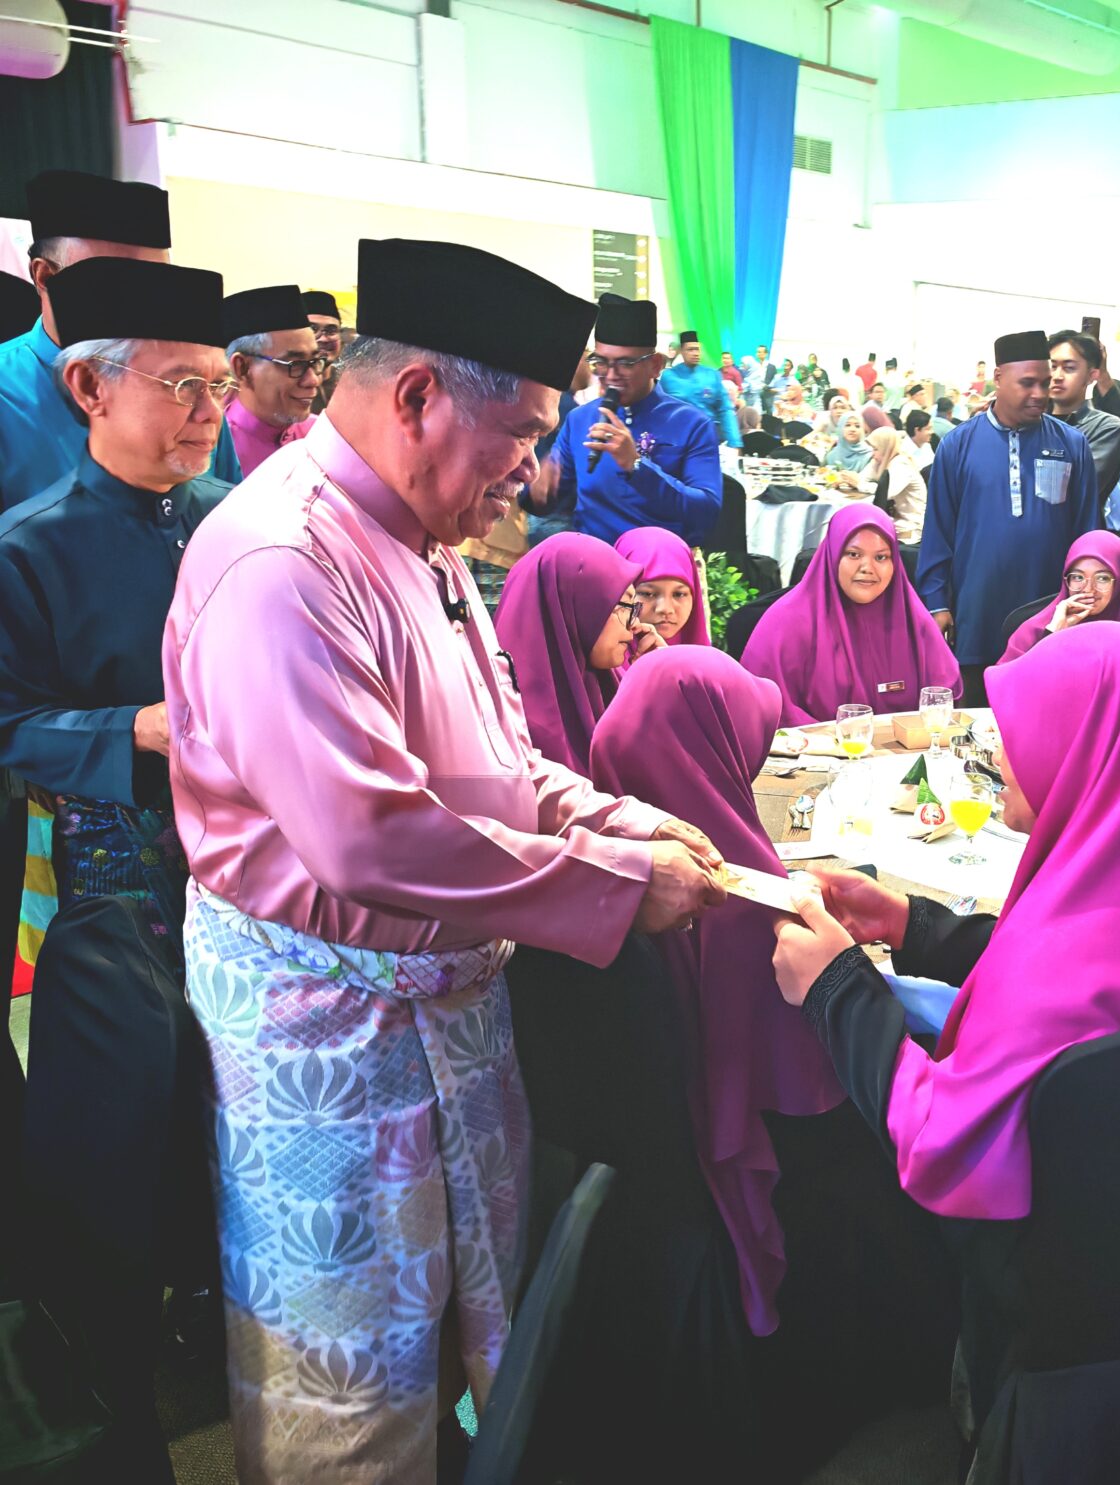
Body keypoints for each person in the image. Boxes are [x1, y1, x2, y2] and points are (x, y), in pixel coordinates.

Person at [164, 237, 726, 1483]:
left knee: (468, 1349)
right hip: (327, 1033)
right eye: (520, 437)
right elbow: (371, 834)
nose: (533, 473)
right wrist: (614, 888)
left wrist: (613, 820)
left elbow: (499, 762)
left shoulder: (423, 538)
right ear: (417, 395)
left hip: (441, 1011)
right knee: (350, 1386)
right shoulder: (285, 562)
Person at [768, 623, 1120, 1423]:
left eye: (1024, 732)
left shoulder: (1071, 957)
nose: (1001, 753)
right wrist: (913, 924)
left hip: (1057, 1314)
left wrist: (835, 988)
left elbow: (941, 1135)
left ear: (1086, 751)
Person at [0, 256, 235, 1481]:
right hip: (112, 899)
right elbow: (7, 726)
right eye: (179, 385)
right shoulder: (27, 549)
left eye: (217, 386)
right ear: (89, 388)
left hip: (255, 879)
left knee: (242, 1128)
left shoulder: (237, 526)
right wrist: (128, 731)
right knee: (124, 1146)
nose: (207, 412)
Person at [591, 646, 847, 1334]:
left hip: (652, 1217)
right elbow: (815, 1083)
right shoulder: (745, 903)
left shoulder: (609, 886)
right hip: (804, 1204)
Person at [0, 169, 243, 507]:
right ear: (45, 276)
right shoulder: (7, 395)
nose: (142, 301)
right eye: (111, 282)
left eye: (159, 283)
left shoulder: (192, 389)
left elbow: (226, 510)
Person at [917, 329, 1102, 697]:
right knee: (976, 712)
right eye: (1027, 383)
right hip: (976, 611)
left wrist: (1085, 599)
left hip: (1049, 615)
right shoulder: (958, 445)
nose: (1040, 394)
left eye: (1045, 383)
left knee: (1045, 709)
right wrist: (936, 603)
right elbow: (938, 530)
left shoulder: (1071, 444)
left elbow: (1088, 531)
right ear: (999, 378)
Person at [532, 293, 721, 547]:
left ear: (655, 365)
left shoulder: (692, 424)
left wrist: (636, 465)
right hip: (592, 563)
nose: (611, 375)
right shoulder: (580, 420)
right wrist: (538, 490)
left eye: (625, 363)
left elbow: (706, 512)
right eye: (601, 362)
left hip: (659, 567)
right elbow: (549, 501)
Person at [743, 504, 960, 725]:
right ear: (833, 555)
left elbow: (944, 693)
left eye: (881, 557)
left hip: (905, 745)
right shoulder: (787, 622)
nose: (867, 568)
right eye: (853, 554)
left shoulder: (913, 619)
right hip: (811, 746)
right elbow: (764, 705)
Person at [494, 531, 656, 772]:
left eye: (634, 608)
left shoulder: (610, 683)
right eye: (622, 606)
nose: (635, 624)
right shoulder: (508, 722)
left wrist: (657, 679)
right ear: (574, 608)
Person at [997, 530, 1120, 663]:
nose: (1089, 589)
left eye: (1102, 578)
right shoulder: (1033, 631)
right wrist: (1052, 634)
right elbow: (1008, 684)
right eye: (1078, 577)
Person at [221, 284, 322, 475]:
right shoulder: (215, 452)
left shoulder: (321, 436)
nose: (312, 381)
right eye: (295, 364)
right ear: (242, 368)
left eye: (315, 362)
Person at [1046, 329, 1120, 494]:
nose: (1057, 376)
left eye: (1069, 368)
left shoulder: (1105, 427)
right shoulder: (1030, 420)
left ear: (1092, 375)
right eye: (1053, 367)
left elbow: (1073, 489)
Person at [615, 525, 711, 646]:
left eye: (679, 594)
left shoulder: (703, 657)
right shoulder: (598, 656)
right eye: (647, 594)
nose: (665, 609)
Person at [658, 329, 742, 449]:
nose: (695, 353)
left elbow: (725, 409)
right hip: (677, 439)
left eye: (697, 349)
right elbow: (659, 409)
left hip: (707, 438)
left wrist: (735, 442)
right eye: (690, 349)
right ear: (681, 351)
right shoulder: (669, 377)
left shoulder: (712, 375)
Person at [864, 424, 927, 546]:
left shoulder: (901, 465)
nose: (872, 454)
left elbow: (884, 493)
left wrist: (857, 483)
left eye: (875, 449)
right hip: (895, 519)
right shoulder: (882, 460)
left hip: (911, 528)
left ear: (886, 448)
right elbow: (863, 477)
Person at [300, 289, 344, 412]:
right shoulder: (285, 388)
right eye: (313, 329)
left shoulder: (350, 385)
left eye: (331, 330)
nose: (324, 339)